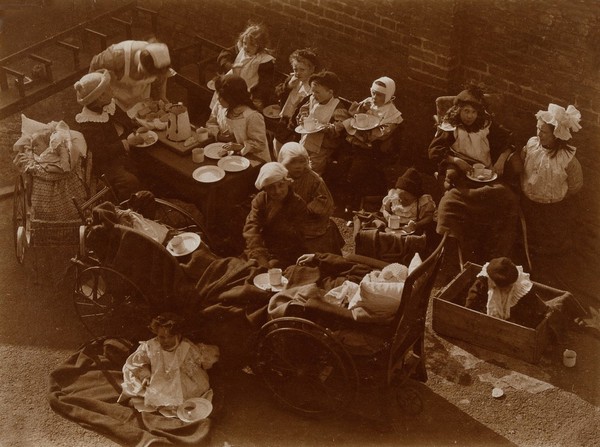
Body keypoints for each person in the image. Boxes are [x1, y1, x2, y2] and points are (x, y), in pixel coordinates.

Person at [120, 313, 219, 413]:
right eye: (162, 337)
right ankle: (155, 402)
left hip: (180, 378)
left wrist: (190, 369)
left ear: (178, 335)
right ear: (156, 334)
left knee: (191, 390)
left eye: (170, 336)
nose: (166, 340)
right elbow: (141, 361)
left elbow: (195, 365)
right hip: (157, 376)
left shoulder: (185, 346)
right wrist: (145, 375)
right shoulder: (151, 346)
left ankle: (167, 404)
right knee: (142, 387)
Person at [520, 103, 583, 254]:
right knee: (530, 231)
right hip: (529, 201)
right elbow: (523, 162)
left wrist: (559, 195)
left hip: (553, 206)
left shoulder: (566, 158)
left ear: (556, 135)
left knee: (550, 236)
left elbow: (576, 183)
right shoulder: (532, 145)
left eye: (544, 132)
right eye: (538, 129)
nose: (539, 134)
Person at [73, 69, 144, 201]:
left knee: (151, 161)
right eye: (108, 88)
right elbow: (101, 154)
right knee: (130, 182)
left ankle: (149, 194)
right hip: (108, 164)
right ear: (100, 97)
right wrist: (127, 143)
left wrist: (136, 128)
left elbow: (126, 121)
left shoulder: (109, 105)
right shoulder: (88, 124)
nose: (112, 89)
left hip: (124, 152)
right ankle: (127, 209)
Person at [428, 84, 518, 186]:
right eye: (466, 111)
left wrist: (501, 159)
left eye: (473, 112)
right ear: (458, 110)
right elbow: (434, 150)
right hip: (462, 169)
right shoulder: (451, 126)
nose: (470, 116)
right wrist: (456, 160)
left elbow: (508, 138)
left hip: (485, 171)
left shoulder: (485, 124)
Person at [436, 161, 520, 264]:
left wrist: (503, 156)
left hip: (491, 180)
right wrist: (455, 160)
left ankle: (498, 258)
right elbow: (437, 150)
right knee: (449, 204)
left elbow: (507, 145)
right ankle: (456, 259)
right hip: (463, 180)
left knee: (509, 199)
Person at [278, 142, 344, 254]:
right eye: (292, 162)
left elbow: (325, 201)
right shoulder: (280, 177)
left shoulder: (314, 179)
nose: (298, 166)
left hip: (310, 220)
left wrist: (304, 210)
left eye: (302, 161)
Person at [243, 162, 308, 268]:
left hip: (286, 249)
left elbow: (294, 238)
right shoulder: (260, 200)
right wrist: (259, 253)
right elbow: (251, 228)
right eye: (271, 187)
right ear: (265, 189)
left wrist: (271, 259)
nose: (277, 191)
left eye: (281, 185)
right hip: (262, 245)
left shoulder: (298, 204)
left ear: (288, 182)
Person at [89, 40, 172, 112]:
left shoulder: (160, 58)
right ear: (140, 61)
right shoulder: (117, 55)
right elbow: (94, 67)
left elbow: (162, 76)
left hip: (140, 99)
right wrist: (96, 98)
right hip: (115, 98)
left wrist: (162, 95)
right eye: (143, 73)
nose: (145, 77)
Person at [295, 71, 351, 176]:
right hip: (306, 139)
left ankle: (310, 185)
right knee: (299, 160)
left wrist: (326, 128)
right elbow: (305, 109)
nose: (314, 95)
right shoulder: (313, 99)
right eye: (312, 91)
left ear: (330, 92)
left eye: (317, 92)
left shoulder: (337, 108)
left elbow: (339, 126)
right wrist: (303, 116)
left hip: (322, 146)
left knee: (313, 169)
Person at [465, 257, 548, 327]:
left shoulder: (520, 286)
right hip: (485, 315)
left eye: (509, 286)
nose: (507, 289)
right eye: (504, 288)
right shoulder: (484, 280)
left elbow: (529, 309)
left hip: (512, 320)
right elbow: (472, 298)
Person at [205, 74, 271, 162]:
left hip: (252, 159)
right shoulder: (220, 106)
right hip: (227, 154)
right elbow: (211, 123)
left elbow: (259, 144)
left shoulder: (252, 116)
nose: (218, 98)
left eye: (221, 97)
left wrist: (239, 146)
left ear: (232, 98)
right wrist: (218, 136)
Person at [216, 22, 275, 109]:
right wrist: (230, 65)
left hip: (249, 92)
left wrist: (257, 98)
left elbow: (265, 84)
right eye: (245, 43)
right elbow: (224, 56)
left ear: (260, 46)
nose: (246, 47)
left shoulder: (265, 61)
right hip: (231, 86)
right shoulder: (240, 49)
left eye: (252, 45)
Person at [272, 48, 319, 152]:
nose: (298, 73)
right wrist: (287, 86)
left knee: (291, 150)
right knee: (277, 144)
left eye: (302, 70)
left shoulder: (313, 88)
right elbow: (276, 94)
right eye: (295, 69)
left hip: (296, 126)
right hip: (284, 119)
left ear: (312, 69)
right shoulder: (292, 80)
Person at [343, 76, 403, 150]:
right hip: (358, 130)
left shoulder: (392, 113)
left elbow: (383, 132)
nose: (374, 97)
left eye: (379, 95)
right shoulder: (369, 101)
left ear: (388, 96)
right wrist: (362, 109)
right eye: (373, 93)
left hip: (372, 141)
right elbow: (354, 114)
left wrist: (365, 134)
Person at [381, 167, 436, 235]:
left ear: (415, 197)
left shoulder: (420, 202)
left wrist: (417, 224)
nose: (401, 201)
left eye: (406, 200)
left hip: (412, 231)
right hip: (393, 229)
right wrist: (388, 216)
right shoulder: (393, 198)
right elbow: (385, 209)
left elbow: (429, 216)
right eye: (399, 198)